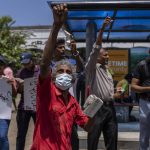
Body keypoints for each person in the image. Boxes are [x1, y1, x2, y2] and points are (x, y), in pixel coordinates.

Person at [30, 4, 93, 150]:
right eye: (60, 71)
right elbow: (45, 63)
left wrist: (92, 110)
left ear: (72, 79)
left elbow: (88, 127)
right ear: (52, 77)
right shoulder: (46, 92)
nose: (64, 74)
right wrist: (56, 26)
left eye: (68, 72)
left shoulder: (72, 103)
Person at [85, 17, 118, 150]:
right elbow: (96, 47)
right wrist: (102, 29)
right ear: (97, 56)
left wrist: (116, 95)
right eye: (105, 55)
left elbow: (107, 93)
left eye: (108, 55)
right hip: (96, 106)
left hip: (110, 107)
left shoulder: (107, 70)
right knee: (92, 140)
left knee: (112, 140)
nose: (107, 57)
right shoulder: (92, 67)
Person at [16, 52, 39, 150]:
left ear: (32, 60)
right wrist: (20, 86)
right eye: (23, 63)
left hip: (37, 106)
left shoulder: (40, 70)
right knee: (21, 134)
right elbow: (18, 91)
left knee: (40, 133)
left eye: (27, 63)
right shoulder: (20, 72)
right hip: (24, 106)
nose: (25, 65)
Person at [131, 51, 150, 150]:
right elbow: (133, 87)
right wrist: (148, 89)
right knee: (145, 133)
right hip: (146, 102)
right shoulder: (142, 65)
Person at [0, 55, 17, 150]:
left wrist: (11, 85)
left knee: (2, 136)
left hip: (3, 113)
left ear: (4, 66)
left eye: (1, 64)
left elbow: (14, 95)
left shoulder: (8, 79)